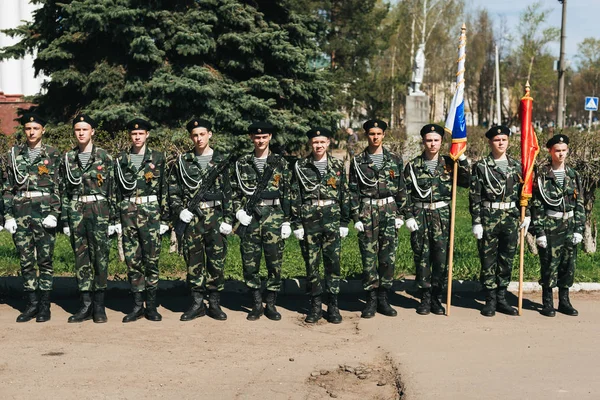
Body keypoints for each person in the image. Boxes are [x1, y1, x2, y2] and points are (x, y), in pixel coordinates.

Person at [168, 118, 233, 321]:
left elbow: (230, 192)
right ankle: (197, 304)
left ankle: (214, 303)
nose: (199, 138)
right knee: (193, 262)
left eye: (202, 134)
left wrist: (228, 219)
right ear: (191, 137)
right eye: (195, 135)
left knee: (216, 261)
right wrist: (179, 211)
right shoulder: (183, 162)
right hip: (193, 219)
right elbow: (173, 191)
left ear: (210, 134)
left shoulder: (222, 161)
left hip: (215, 217)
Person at [403, 123, 469, 315]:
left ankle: (437, 298)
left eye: (436, 140)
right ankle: (424, 297)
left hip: (442, 216)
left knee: (441, 259)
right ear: (423, 142)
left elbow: (466, 182)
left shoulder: (450, 163)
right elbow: (404, 193)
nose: (432, 144)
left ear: (441, 142)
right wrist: (408, 216)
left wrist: (462, 159)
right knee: (422, 257)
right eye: (429, 140)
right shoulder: (413, 166)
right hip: (420, 215)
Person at [2, 113, 61, 323]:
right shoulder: (14, 154)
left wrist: (55, 213)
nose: (31, 132)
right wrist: (7, 216)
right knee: (26, 260)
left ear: (43, 130)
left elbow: (57, 186)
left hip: (44, 211)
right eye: (28, 128)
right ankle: (32, 303)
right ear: (24, 130)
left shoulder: (53, 154)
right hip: (21, 212)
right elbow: (7, 187)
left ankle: (45, 305)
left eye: (36, 128)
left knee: (45, 260)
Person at [60, 114, 118, 323]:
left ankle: (100, 306)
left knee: (100, 257)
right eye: (77, 130)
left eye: (85, 129)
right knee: (81, 257)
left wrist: (114, 220)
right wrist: (65, 221)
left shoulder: (105, 157)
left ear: (93, 131)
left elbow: (113, 189)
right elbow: (63, 190)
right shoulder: (67, 158)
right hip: (76, 210)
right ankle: (85, 305)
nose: (81, 133)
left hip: (99, 209)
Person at [231, 121, 291, 321]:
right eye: (257, 137)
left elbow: (287, 193)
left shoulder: (280, 162)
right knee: (250, 263)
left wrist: (287, 220)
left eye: (264, 137)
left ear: (270, 138)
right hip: (251, 219)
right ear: (251, 138)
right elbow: (234, 191)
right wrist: (238, 212)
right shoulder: (242, 163)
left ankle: (271, 304)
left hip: (274, 216)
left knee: (275, 262)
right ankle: (256, 304)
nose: (260, 140)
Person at [291, 127, 350, 324]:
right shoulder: (301, 166)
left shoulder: (337, 165)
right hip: (309, 219)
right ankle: (315, 305)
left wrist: (344, 221)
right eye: (315, 142)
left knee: (333, 263)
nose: (318, 145)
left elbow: (344, 194)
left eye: (322, 142)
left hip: (331, 217)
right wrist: (296, 223)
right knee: (312, 263)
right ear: (311, 144)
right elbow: (295, 195)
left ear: (328, 142)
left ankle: (333, 305)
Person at [469, 126, 530, 317]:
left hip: (511, 217)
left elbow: (525, 193)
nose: (501, 143)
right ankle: (490, 299)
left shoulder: (517, 166)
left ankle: (502, 297)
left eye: (504, 139)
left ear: (508, 141)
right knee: (488, 259)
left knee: (506, 258)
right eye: (497, 140)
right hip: (489, 216)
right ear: (490, 142)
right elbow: (474, 196)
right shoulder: (481, 166)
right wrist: (476, 221)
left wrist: (526, 214)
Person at [348, 119, 406, 319]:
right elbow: (353, 191)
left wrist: (400, 214)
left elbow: (401, 188)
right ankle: (371, 299)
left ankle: (383, 298)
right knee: (369, 256)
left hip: (389, 210)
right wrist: (355, 216)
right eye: (371, 133)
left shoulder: (395, 160)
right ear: (367, 135)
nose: (375, 137)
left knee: (388, 256)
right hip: (368, 211)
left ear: (384, 135)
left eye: (378, 133)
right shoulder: (358, 161)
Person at [116, 118, 169, 323]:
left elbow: (164, 187)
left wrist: (165, 217)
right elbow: (116, 190)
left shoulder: (157, 157)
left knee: (152, 260)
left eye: (141, 133)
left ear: (147, 135)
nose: (137, 137)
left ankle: (152, 306)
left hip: (151, 213)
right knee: (133, 260)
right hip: (128, 211)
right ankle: (137, 306)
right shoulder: (121, 159)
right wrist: (115, 217)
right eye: (133, 134)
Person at [531, 134, 584, 317]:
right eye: (557, 151)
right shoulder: (542, 176)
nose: (561, 154)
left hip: (569, 223)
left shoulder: (573, 174)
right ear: (550, 151)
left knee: (568, 265)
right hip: (550, 224)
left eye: (563, 151)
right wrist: (539, 232)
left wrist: (579, 228)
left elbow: (580, 204)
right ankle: (547, 303)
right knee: (549, 264)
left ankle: (564, 302)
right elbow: (536, 206)